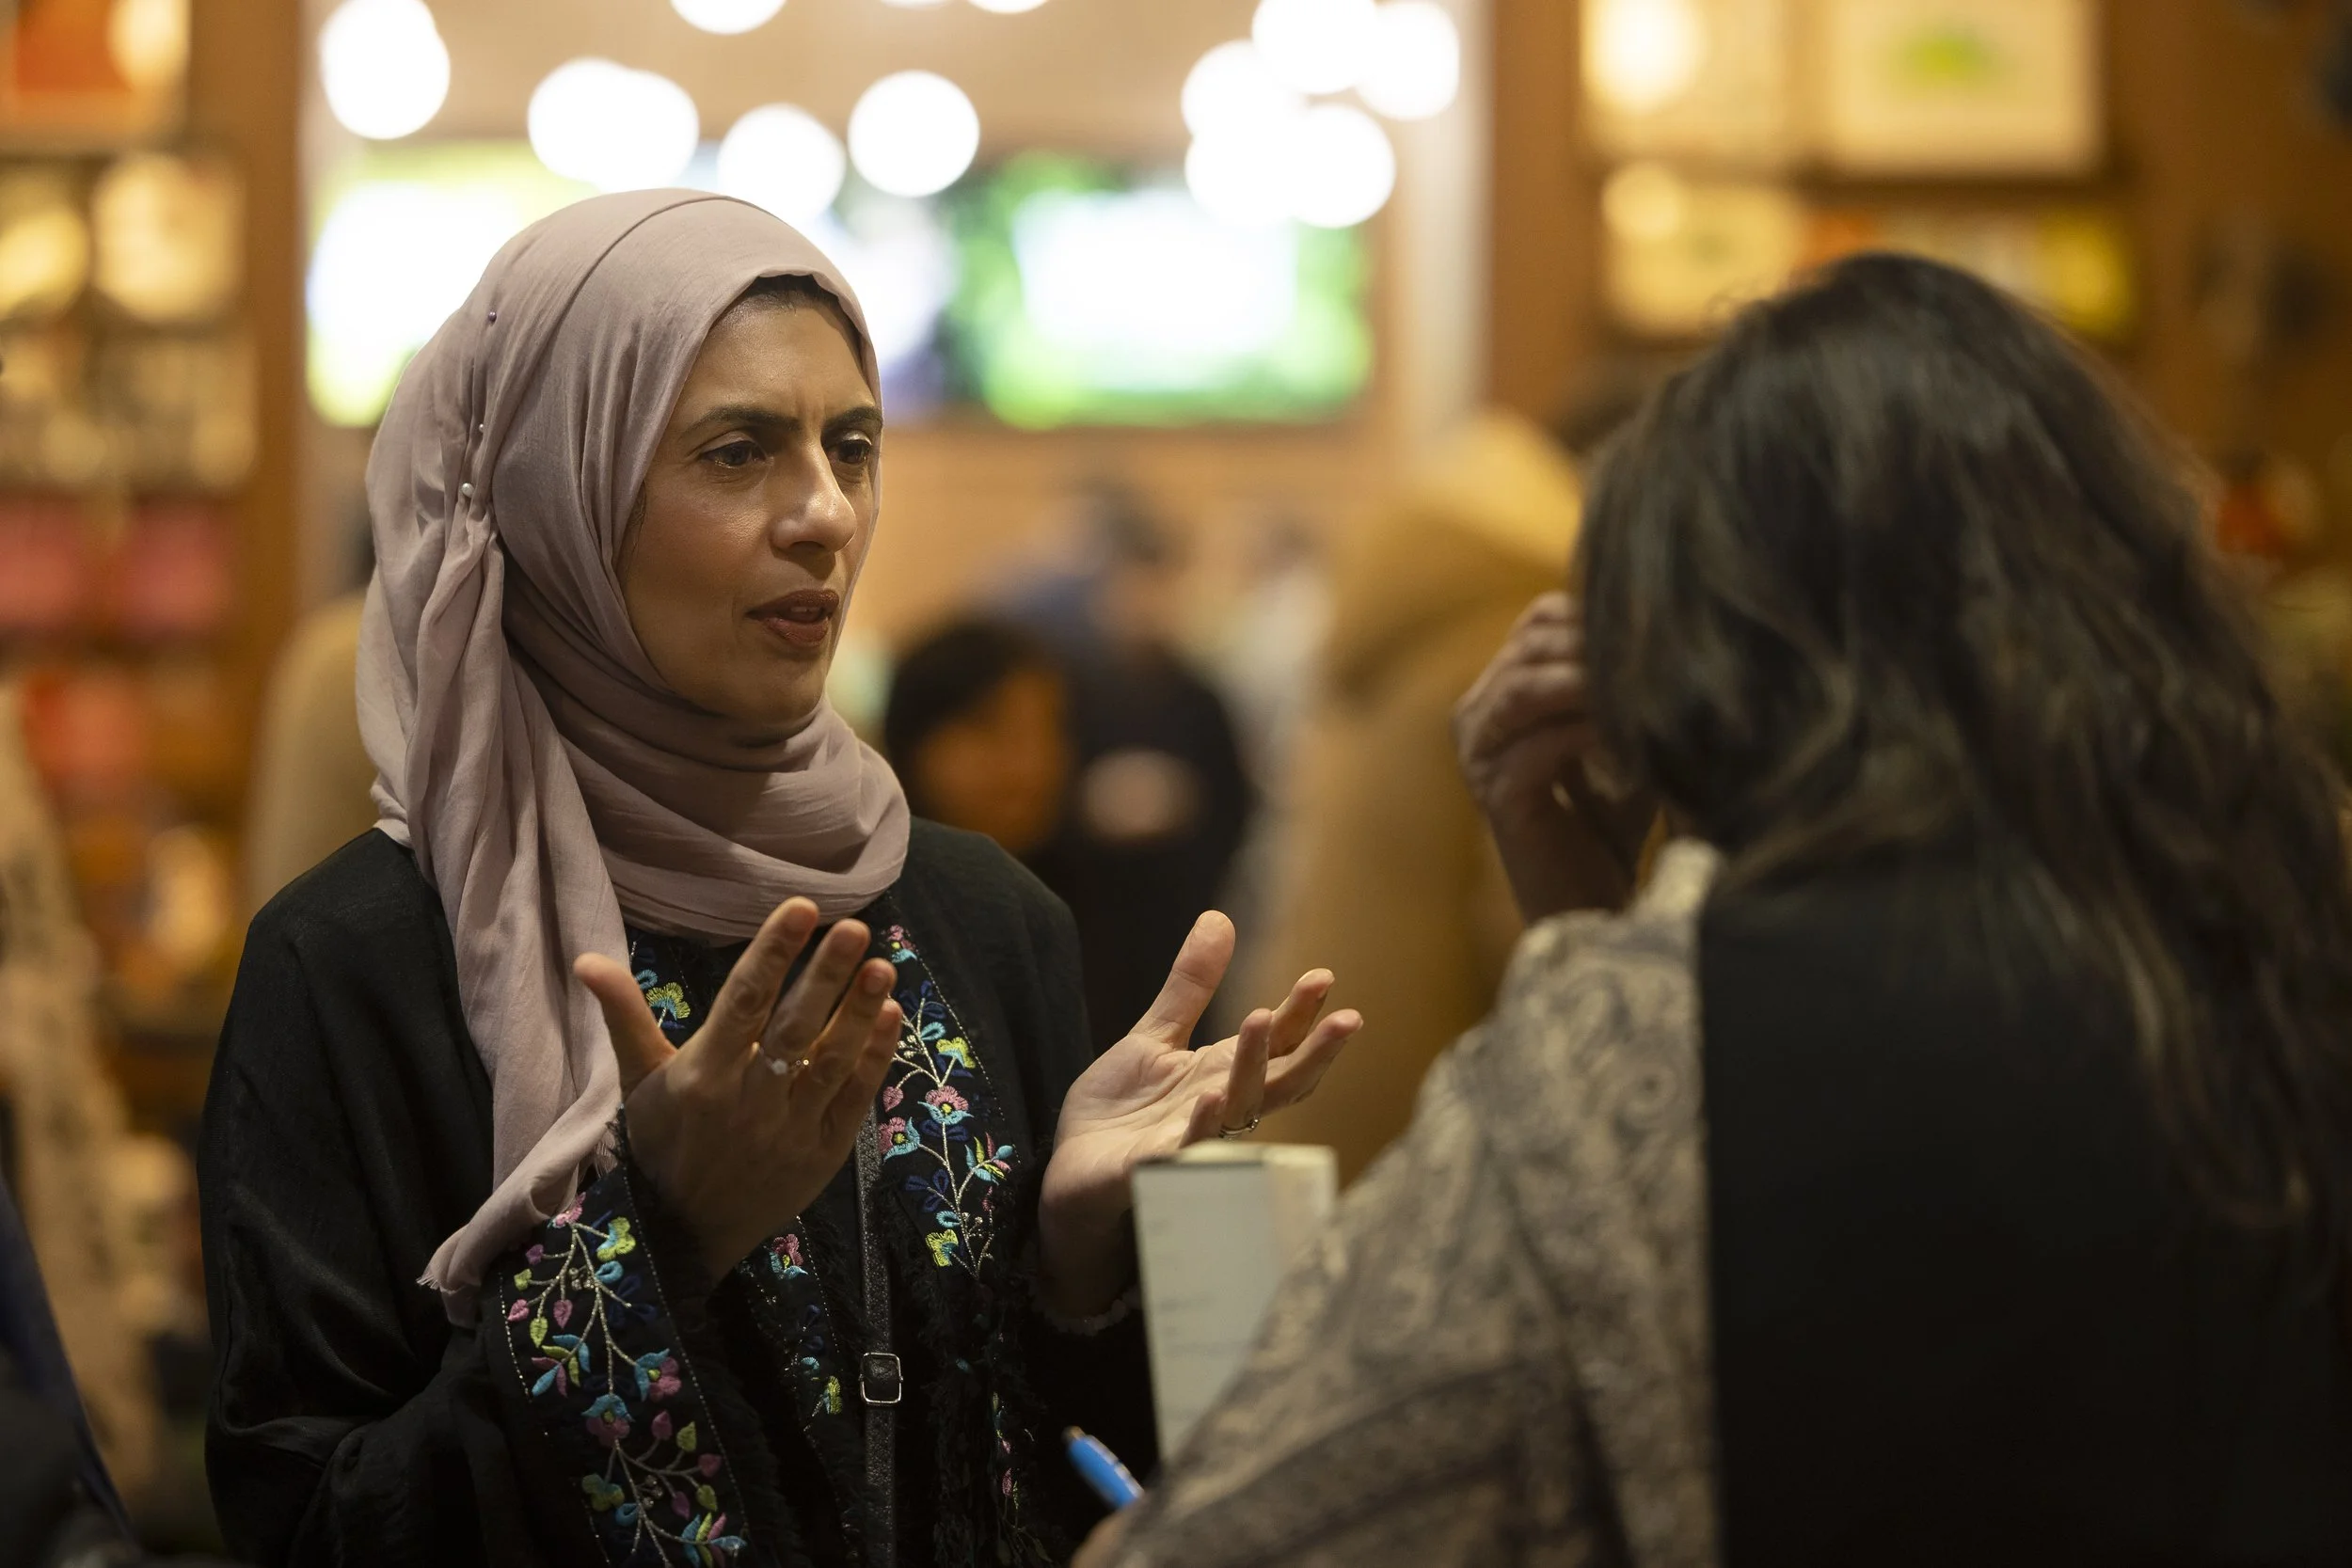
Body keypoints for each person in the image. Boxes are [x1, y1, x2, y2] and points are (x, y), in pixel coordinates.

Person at [1085, 253, 2352, 1567]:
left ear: (1691, 648)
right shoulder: (2302, 903)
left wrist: (1597, 949)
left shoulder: (1644, 1037)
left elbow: (1249, 1529)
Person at [199, 191, 1359, 1568]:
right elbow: (315, 1527)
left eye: (850, 445)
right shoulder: (361, 963)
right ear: (552, 490)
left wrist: (1081, 1261)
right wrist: (658, 1242)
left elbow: (1088, 1478)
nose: (823, 513)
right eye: (737, 449)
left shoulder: (984, 919)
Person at [1247, 404, 1593, 1181]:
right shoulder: (1532, 642)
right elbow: (1537, 927)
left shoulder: (1406, 625)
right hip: (1429, 1122)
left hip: (1315, 1075)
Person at [1008, 484, 1253, 1052]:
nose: (1145, 602)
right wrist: (1093, 807)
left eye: (1160, 584)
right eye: (1132, 584)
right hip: (1089, 911)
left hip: (1174, 909)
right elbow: (1038, 796)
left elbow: (1235, 805)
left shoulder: (1201, 694)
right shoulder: (1068, 687)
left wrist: (1182, 809)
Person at [881, 619, 1072, 863]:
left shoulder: (1105, 885)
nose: (1032, 766)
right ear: (915, 744)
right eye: (989, 726)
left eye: (1047, 728)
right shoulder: (866, 885)